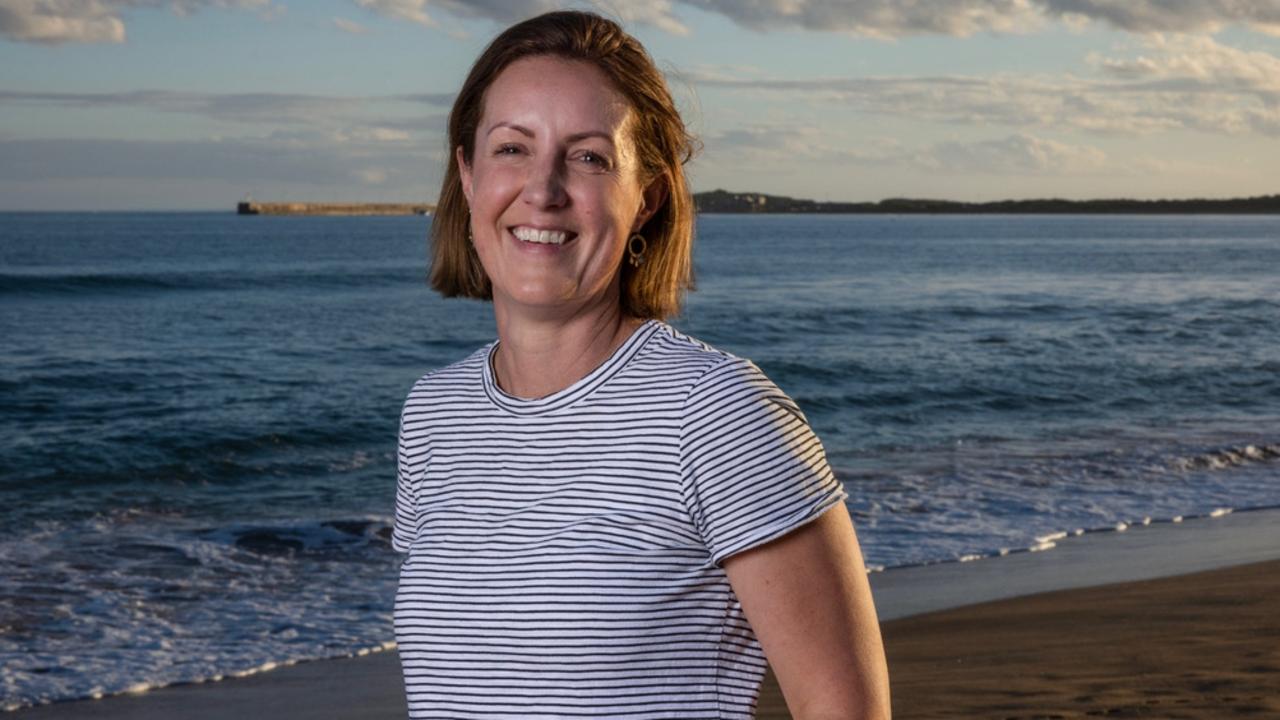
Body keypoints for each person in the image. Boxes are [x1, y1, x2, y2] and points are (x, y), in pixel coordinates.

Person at [392, 10, 890, 719]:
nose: (543, 189)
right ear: (468, 176)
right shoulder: (433, 414)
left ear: (647, 200)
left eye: (589, 157)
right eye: (511, 149)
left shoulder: (716, 412)